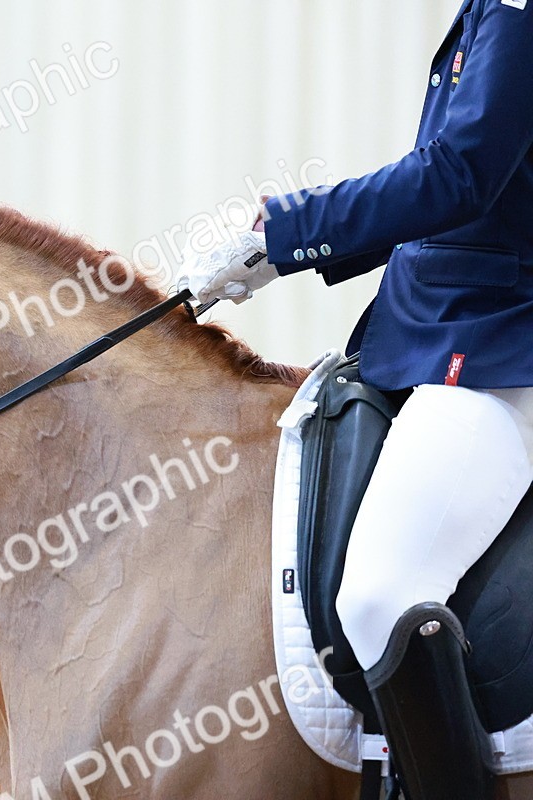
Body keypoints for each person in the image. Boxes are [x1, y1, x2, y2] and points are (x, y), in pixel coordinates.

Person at [179, 1, 533, 797]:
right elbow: (468, 190)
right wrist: (277, 252)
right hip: (432, 339)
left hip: (501, 354)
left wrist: (292, 228)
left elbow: (463, 173)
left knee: (379, 594)